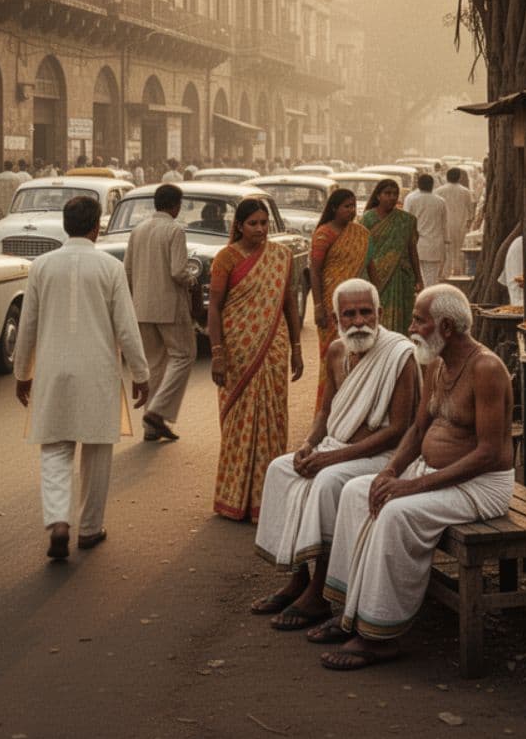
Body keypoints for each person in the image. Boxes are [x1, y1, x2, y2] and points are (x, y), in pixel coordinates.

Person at [319, 284, 514, 671]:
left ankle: (380, 635)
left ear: (445, 326)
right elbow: (417, 429)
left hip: (483, 486)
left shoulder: (486, 369)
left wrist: (411, 486)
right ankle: (348, 610)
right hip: (435, 474)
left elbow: (490, 453)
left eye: (418, 321)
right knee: (359, 491)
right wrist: (391, 470)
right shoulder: (437, 362)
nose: (411, 328)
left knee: (396, 513)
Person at [252, 279, 419, 629]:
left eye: (366, 313)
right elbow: (325, 412)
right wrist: (309, 444)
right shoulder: (336, 351)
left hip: (381, 456)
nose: (359, 321)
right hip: (335, 447)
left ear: (380, 313)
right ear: (336, 317)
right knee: (281, 469)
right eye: (350, 314)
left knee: (327, 481)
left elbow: (398, 430)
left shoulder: (400, 354)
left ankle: (320, 590)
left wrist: (331, 458)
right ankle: (297, 577)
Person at [13, 196, 150, 560]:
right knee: (97, 451)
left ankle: (58, 521)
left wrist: (22, 372)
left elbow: (28, 325)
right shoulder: (109, 267)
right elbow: (126, 325)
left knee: (55, 449)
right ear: (97, 226)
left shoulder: (41, 267)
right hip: (98, 371)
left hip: (53, 371)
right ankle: (89, 529)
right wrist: (141, 373)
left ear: (65, 225)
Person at [209, 197, 303, 522]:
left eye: (264, 223)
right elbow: (214, 307)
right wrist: (218, 354)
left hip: (273, 348)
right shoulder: (226, 258)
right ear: (239, 225)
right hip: (237, 349)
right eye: (253, 224)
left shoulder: (281, 256)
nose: (261, 230)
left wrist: (296, 347)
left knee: (274, 419)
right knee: (239, 422)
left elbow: (289, 301)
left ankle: (269, 499)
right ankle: (234, 497)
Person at [124, 183, 196, 442]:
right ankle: (157, 411)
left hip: (141, 306)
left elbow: (128, 270)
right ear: (175, 205)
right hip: (169, 306)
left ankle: (151, 427)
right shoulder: (174, 230)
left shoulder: (139, 229)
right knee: (184, 355)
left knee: (154, 364)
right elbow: (178, 271)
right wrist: (192, 280)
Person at [310, 189, 370, 408]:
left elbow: (367, 267)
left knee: (357, 352)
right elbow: (315, 271)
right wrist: (317, 306)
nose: (351, 211)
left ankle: (354, 406)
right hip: (330, 304)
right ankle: (328, 407)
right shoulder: (324, 234)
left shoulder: (361, 233)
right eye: (346, 206)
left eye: (354, 206)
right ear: (334, 208)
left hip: (356, 303)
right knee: (332, 355)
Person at [363, 179, 423, 335]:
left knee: (404, 319)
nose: (392, 197)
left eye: (395, 194)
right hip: (375, 278)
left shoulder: (406, 220)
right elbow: (363, 253)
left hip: (402, 277)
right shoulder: (367, 219)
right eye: (387, 193)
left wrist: (419, 279)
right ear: (378, 196)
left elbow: (412, 250)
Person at [404, 173, 449, 287]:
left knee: (416, 277)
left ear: (418, 185)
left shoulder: (411, 199)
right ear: (432, 185)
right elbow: (444, 224)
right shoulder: (440, 201)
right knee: (431, 278)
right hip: (434, 244)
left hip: (416, 244)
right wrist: (446, 241)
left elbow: (406, 222)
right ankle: (429, 301)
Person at [435, 168, 473, 275]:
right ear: (459, 177)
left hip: (445, 225)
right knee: (459, 250)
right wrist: (469, 222)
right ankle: (458, 272)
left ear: (447, 177)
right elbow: (471, 211)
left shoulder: (439, 191)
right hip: (461, 224)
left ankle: (445, 273)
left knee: (447, 250)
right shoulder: (465, 191)